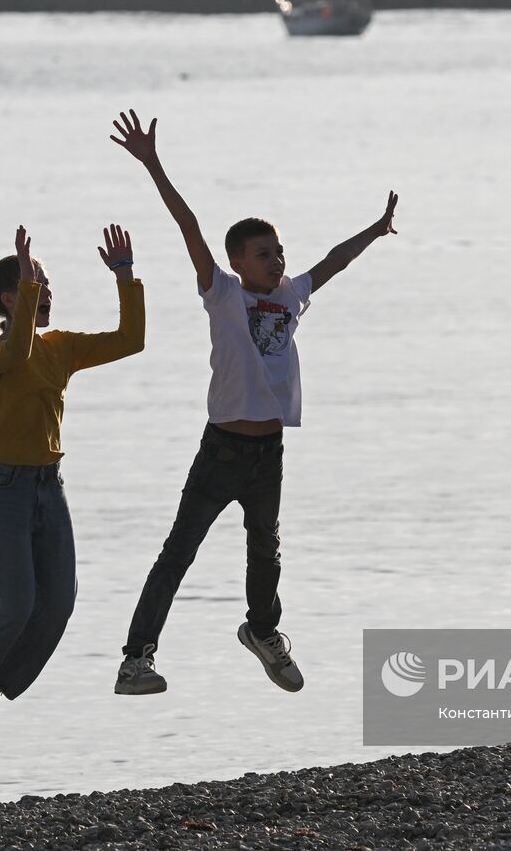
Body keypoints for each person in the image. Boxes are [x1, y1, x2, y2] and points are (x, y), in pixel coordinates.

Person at [108, 109, 398, 695]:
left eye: (279, 251)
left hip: (270, 451)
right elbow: (188, 226)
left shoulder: (291, 296)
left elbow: (333, 262)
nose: (277, 261)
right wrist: (153, 164)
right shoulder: (222, 295)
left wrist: (376, 228)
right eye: (264, 254)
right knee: (179, 552)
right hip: (222, 450)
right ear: (238, 262)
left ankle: (263, 633)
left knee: (265, 549)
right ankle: (136, 659)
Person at [0, 223, 145, 733]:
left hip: (49, 488)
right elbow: (16, 355)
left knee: (57, 604)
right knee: (14, 604)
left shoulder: (63, 347)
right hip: (1, 490)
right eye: (34, 283)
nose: (45, 290)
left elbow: (130, 340)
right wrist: (29, 286)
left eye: (46, 283)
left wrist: (125, 277)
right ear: (8, 297)